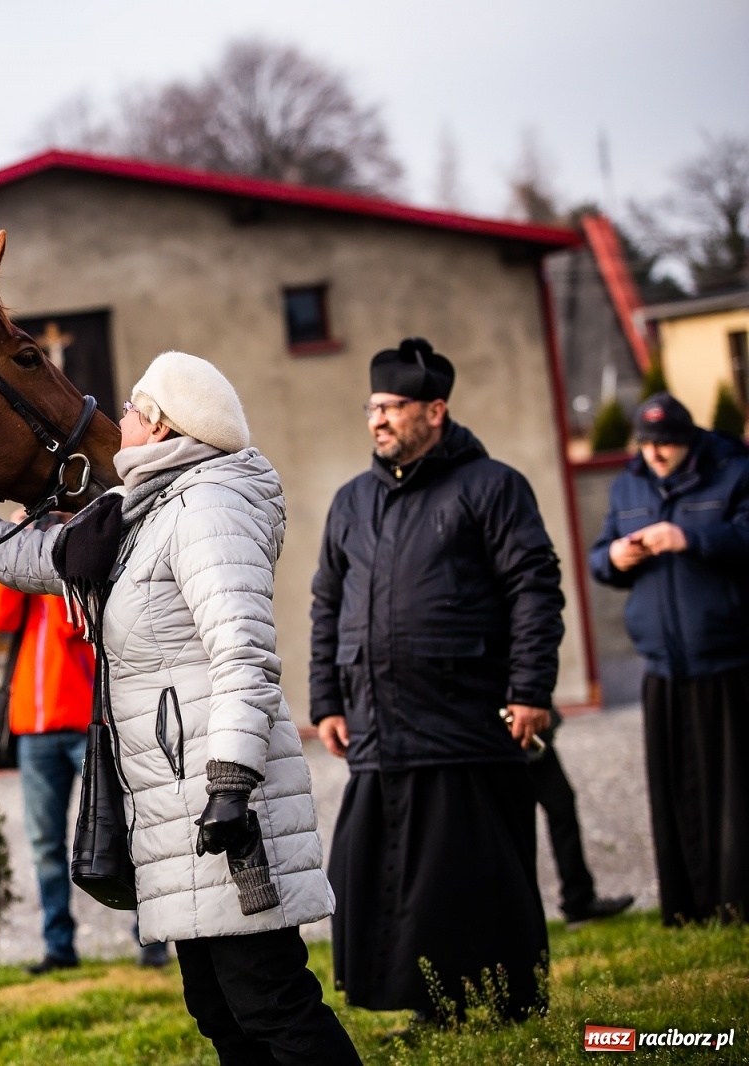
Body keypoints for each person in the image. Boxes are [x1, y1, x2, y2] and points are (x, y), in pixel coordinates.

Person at [0, 351, 359, 1063]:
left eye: (130, 406)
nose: (115, 416)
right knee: (220, 1009)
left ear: (160, 427)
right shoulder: (139, 513)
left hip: (222, 803)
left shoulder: (208, 505)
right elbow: (27, 559)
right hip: (177, 805)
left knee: (271, 1002)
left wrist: (230, 783)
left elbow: (243, 655)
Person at [309, 337, 561, 1022]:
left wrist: (531, 690)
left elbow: (533, 590)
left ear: (436, 411)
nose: (378, 420)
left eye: (392, 407)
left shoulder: (492, 486)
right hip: (380, 729)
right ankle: (428, 1007)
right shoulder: (351, 501)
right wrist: (326, 700)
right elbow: (327, 602)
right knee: (382, 879)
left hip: (466, 721)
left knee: (478, 876)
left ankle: (513, 1006)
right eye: (372, 407)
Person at [589, 393, 749, 926]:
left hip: (726, 659)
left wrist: (690, 538)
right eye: (649, 443)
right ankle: (688, 908)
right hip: (661, 666)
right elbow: (601, 556)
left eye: (668, 444)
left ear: (691, 439)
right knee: (675, 795)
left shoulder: (733, 471)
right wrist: (614, 557)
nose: (657, 454)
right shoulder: (629, 484)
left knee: (735, 794)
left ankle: (738, 902)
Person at [0, 562, 171, 973]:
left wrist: (58, 561)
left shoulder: (81, 559)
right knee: (45, 844)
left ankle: (151, 936)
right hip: (34, 730)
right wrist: (17, 555)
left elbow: (77, 624)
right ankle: (59, 946)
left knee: (119, 830)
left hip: (90, 723)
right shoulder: (23, 569)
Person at [528, 723, 634, 925]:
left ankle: (579, 900)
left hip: (526, 732)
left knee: (561, 804)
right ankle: (520, 914)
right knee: (516, 823)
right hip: (496, 735)